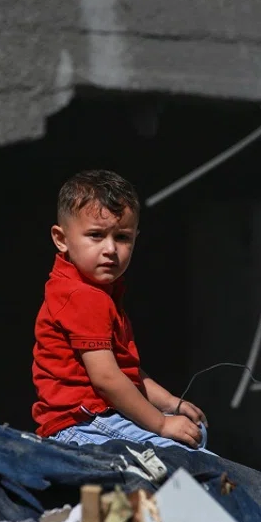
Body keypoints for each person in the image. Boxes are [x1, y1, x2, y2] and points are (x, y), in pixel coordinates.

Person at [31, 169, 211, 452]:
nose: (110, 249)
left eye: (123, 238)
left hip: (97, 418)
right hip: (84, 424)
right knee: (191, 456)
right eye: (96, 235)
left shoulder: (94, 291)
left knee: (195, 431)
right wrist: (162, 424)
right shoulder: (83, 296)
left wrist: (170, 403)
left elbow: (126, 372)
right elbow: (107, 379)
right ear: (61, 238)